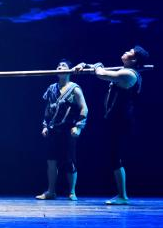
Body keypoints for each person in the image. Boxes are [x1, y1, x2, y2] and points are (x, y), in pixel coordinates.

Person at [74, 44, 149, 205]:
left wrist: (95, 66)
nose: (126, 51)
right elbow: (101, 70)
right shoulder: (124, 71)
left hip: (122, 121)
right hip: (115, 120)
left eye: (130, 52)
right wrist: (86, 65)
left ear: (134, 60)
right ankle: (121, 194)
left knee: (116, 156)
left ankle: (123, 196)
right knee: (113, 156)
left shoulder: (129, 74)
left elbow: (101, 73)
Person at [36, 60, 88, 201]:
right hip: (54, 129)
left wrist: (79, 127)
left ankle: (72, 192)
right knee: (51, 161)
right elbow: (47, 110)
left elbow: (84, 108)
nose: (60, 67)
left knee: (70, 161)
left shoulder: (74, 89)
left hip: (68, 129)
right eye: (58, 66)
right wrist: (45, 126)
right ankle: (51, 191)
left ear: (70, 70)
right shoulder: (51, 88)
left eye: (63, 66)